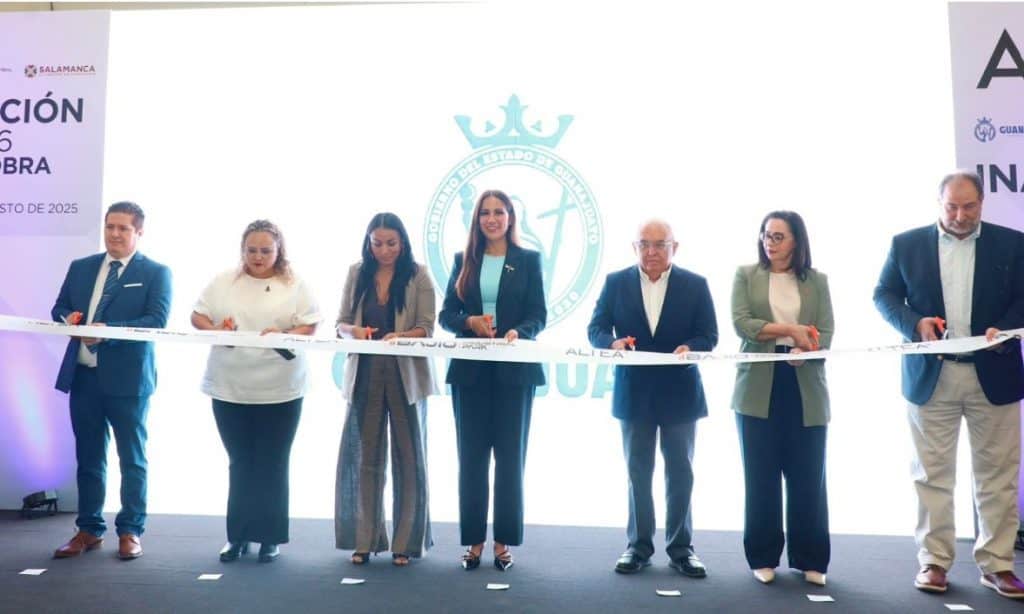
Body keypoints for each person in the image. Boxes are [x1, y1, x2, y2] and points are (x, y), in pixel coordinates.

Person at [874, 171, 1024, 599]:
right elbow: (883, 293)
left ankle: (997, 565)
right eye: (951, 207)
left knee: (996, 474)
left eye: (969, 207)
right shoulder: (906, 244)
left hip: (993, 372)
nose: (960, 216)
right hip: (931, 376)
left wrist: (1008, 327)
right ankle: (934, 561)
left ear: (982, 204)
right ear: (938, 203)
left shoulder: (1013, 244)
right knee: (931, 474)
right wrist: (913, 323)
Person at [587, 219, 717, 578]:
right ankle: (638, 546)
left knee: (681, 473)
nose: (652, 251)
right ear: (634, 247)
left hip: (680, 393)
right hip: (635, 393)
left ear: (676, 247)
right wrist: (610, 344)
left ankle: (681, 549)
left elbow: (709, 334)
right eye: (644, 244)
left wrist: (691, 347)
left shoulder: (695, 284)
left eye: (661, 244)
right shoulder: (616, 282)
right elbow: (595, 328)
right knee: (637, 473)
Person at [191, 219, 321, 564]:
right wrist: (217, 328)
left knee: (273, 463)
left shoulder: (294, 284)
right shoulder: (223, 282)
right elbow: (197, 316)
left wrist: (284, 335)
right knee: (241, 463)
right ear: (242, 250)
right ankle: (237, 537)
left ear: (279, 251)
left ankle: (270, 538)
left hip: (281, 389)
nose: (258, 256)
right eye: (252, 250)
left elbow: (311, 323)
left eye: (266, 250)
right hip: (230, 387)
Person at [51, 201, 172, 560]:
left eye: (123, 228)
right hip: (84, 378)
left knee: (132, 459)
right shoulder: (81, 267)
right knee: (88, 457)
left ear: (139, 233)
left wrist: (109, 333)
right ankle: (88, 529)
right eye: (110, 227)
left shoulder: (156, 272)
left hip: (129, 382)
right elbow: (57, 307)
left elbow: (157, 321)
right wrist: (69, 317)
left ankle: (131, 530)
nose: (115, 234)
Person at [439, 189, 546, 572]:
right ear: (477, 219)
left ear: (511, 217)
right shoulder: (462, 260)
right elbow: (447, 314)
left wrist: (519, 332)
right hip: (470, 373)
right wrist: (470, 322)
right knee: (471, 460)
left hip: (515, 373)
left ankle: (502, 543)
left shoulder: (529, 260)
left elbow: (539, 315)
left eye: (499, 211)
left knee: (510, 460)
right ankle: (473, 543)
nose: (492, 218)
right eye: (485, 212)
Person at [730, 211, 834, 586]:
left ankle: (811, 559)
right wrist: (790, 331)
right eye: (766, 235)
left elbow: (825, 332)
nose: (769, 243)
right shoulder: (746, 275)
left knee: (808, 477)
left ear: (796, 241)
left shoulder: (817, 281)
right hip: (758, 389)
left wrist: (805, 346)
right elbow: (743, 324)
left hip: (804, 387)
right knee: (761, 477)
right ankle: (762, 555)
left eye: (778, 236)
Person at [335, 212, 437, 567]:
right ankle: (363, 540)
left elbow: (427, 327)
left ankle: (405, 543)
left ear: (403, 243)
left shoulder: (419, 274)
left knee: (410, 458)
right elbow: (340, 324)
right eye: (376, 243)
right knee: (365, 458)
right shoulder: (356, 272)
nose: (383, 250)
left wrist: (400, 337)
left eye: (391, 243)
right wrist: (355, 332)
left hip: (406, 373)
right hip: (364, 371)